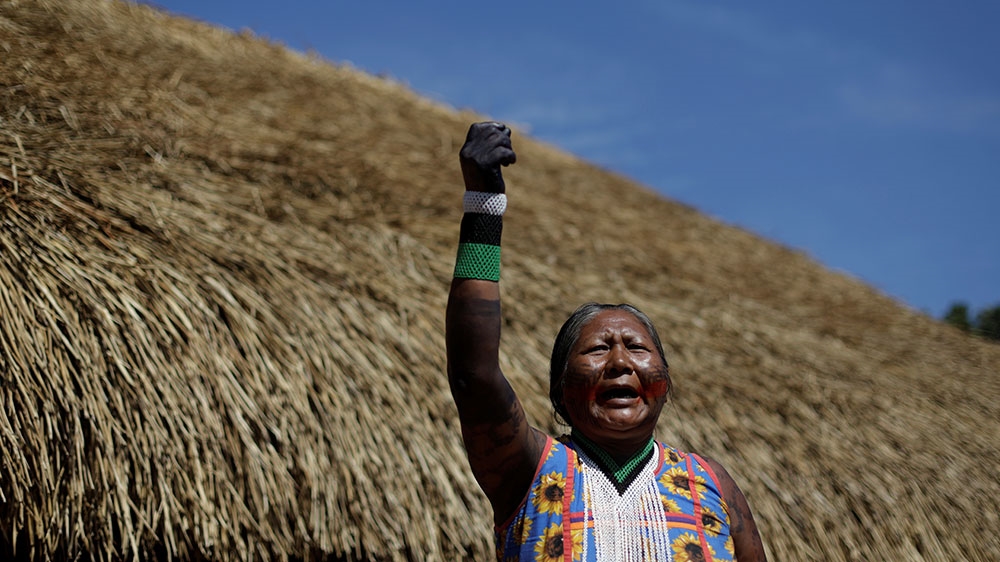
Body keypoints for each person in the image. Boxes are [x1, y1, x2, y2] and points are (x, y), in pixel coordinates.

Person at [446, 122, 766, 561]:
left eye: (637, 348)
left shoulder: (710, 483)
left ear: (665, 382)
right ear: (560, 391)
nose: (619, 362)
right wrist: (484, 205)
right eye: (597, 349)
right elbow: (473, 376)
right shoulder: (532, 470)